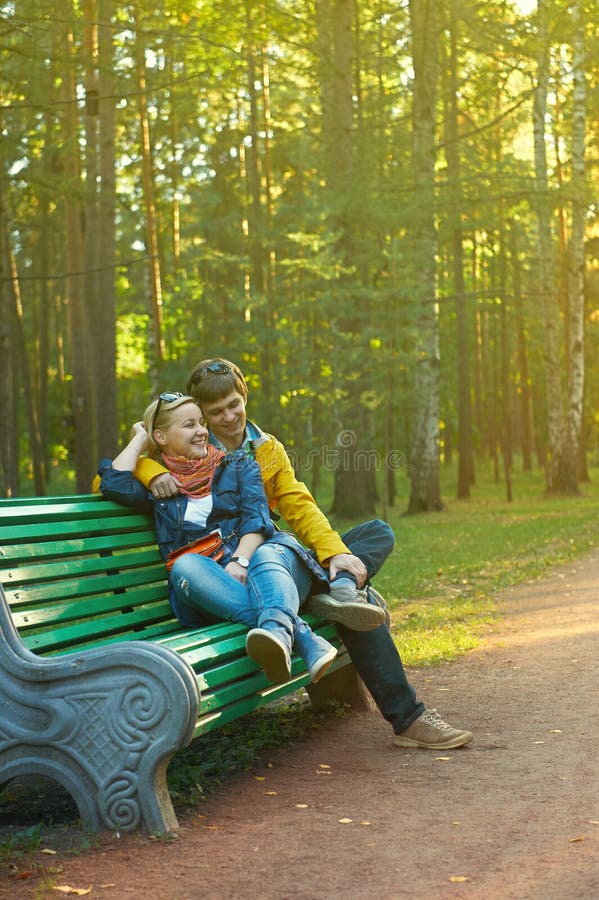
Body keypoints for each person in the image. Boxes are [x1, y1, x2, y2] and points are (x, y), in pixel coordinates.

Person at [136, 360, 474, 751]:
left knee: (375, 533)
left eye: (234, 404)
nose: (228, 417)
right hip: (242, 571)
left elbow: (298, 505)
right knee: (347, 600)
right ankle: (408, 715)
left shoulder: (266, 449)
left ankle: (341, 586)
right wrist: (148, 470)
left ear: (244, 397)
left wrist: (334, 555)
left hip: (274, 562)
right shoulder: (187, 451)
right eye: (216, 412)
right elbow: (111, 476)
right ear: (202, 415)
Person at [97, 391, 343, 686]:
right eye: (189, 425)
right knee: (184, 565)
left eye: (202, 423)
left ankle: (279, 634)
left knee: (264, 552)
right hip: (205, 594)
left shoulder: (239, 465)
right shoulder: (159, 489)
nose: (202, 432)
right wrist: (140, 437)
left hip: (264, 571)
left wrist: (239, 560)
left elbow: (258, 521)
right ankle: (301, 635)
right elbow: (112, 482)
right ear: (160, 437)